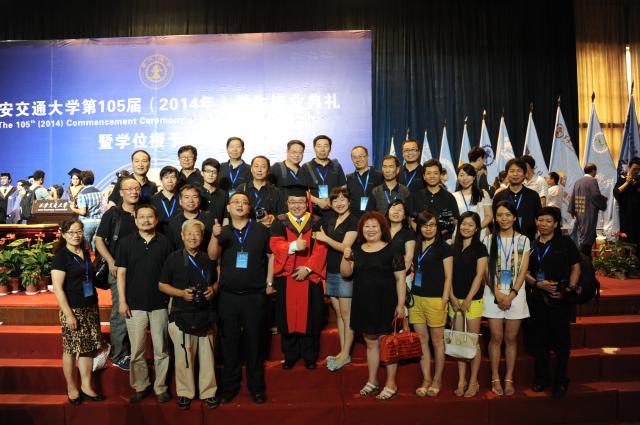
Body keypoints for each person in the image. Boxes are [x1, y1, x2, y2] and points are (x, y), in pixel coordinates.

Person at [208, 191, 274, 405]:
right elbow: (212, 256)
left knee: (255, 343)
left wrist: (269, 283)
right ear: (228, 207)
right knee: (230, 344)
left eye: (244, 202)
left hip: (254, 296)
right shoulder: (223, 231)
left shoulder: (261, 230)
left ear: (249, 208)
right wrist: (214, 235)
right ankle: (230, 388)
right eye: (235, 202)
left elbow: (271, 256)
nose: (240, 205)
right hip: (228, 297)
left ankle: (257, 388)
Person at [340, 211, 406, 401]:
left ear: (382, 228)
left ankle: (391, 384)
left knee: (387, 344)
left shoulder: (393, 249)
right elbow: (345, 273)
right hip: (363, 302)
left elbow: (400, 278)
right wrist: (345, 256)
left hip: (386, 302)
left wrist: (401, 304)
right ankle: (373, 380)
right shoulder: (357, 249)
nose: (370, 229)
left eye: (374, 226)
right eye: (366, 226)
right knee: (370, 343)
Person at [116, 204, 173, 404]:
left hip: (160, 304)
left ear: (156, 220)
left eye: (150, 217)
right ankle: (141, 386)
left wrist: (171, 301)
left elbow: (171, 275)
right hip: (134, 304)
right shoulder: (125, 243)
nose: (146, 220)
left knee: (161, 350)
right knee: (137, 351)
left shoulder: (165, 243)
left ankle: (161, 387)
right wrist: (122, 301)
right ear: (135, 219)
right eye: (141, 217)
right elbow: (121, 273)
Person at [159, 219, 219, 410]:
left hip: (205, 314)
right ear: (182, 236)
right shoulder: (173, 258)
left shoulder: (207, 258)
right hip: (181, 314)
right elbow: (162, 285)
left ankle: (209, 392)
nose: (193, 237)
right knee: (183, 356)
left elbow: (217, 281)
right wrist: (181, 293)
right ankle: (185, 393)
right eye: (189, 233)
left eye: (197, 233)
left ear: (202, 237)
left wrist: (213, 290)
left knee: (207, 357)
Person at [269, 185, 328, 369]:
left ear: (307, 203)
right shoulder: (280, 221)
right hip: (287, 277)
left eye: (301, 202)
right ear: (287, 203)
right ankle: (290, 356)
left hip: (309, 277)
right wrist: (293, 246)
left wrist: (308, 268)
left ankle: (310, 357)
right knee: (287, 318)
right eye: (293, 202)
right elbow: (275, 244)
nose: (296, 206)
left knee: (311, 317)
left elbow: (321, 248)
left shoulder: (316, 221)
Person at [525, 207, 581, 398]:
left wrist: (569, 289)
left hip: (560, 300)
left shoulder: (565, 243)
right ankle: (542, 379)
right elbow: (525, 273)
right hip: (538, 300)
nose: (544, 224)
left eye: (548, 221)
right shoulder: (531, 246)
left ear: (556, 224)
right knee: (539, 342)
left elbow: (576, 267)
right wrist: (538, 283)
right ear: (536, 222)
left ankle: (561, 380)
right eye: (540, 220)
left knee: (561, 344)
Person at [51, 219, 105, 405]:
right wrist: (68, 314)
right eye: (72, 232)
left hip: (90, 306)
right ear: (64, 234)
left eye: (79, 231)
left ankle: (86, 386)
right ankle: (71, 387)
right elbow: (58, 288)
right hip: (73, 309)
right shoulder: (61, 257)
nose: (76, 235)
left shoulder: (84, 251)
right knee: (71, 349)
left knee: (87, 348)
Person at [483, 201, 530, 396]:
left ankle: (509, 377)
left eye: (508, 215)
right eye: (500, 215)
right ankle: (495, 376)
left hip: (515, 294)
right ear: (495, 217)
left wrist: (511, 294)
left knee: (511, 338)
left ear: (514, 217)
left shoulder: (524, 240)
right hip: (492, 293)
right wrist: (497, 293)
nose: (504, 219)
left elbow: (523, 270)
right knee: (496, 337)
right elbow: (485, 270)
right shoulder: (488, 239)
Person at [95, 176, 142, 371]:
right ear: (121, 193)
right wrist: (111, 261)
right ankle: (119, 354)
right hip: (117, 270)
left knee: (137, 311)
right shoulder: (113, 214)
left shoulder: (143, 212)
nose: (134, 192)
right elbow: (99, 240)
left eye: (136, 188)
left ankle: (134, 351)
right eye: (129, 189)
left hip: (140, 271)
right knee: (120, 312)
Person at [314, 187, 358, 371]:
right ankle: (342, 352)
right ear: (330, 203)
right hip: (330, 271)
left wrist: (325, 238)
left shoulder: (354, 221)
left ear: (349, 201)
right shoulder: (330, 219)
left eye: (342, 199)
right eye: (335, 200)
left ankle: (346, 354)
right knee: (339, 314)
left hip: (345, 271)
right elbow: (316, 234)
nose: (339, 203)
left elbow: (345, 247)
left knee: (347, 315)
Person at [409, 211, 452, 398]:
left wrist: (445, 299)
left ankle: (437, 380)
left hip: (436, 299)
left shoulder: (444, 247)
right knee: (421, 340)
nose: (429, 229)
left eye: (432, 225)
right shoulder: (416, 245)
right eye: (425, 225)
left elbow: (449, 276)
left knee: (437, 341)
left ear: (437, 226)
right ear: (419, 227)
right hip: (416, 299)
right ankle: (426, 379)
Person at [450, 211, 488, 398]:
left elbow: (479, 276)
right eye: (463, 224)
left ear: (476, 228)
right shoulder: (452, 247)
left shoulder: (480, 248)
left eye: (470, 225)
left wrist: (467, 299)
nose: (466, 227)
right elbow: (447, 276)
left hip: (472, 301)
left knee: (472, 343)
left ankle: (473, 382)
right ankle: (461, 381)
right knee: (459, 342)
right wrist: (452, 297)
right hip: (455, 301)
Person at [406, 159, 459, 240]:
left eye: (435, 173)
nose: (432, 176)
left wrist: (435, 235)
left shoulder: (449, 197)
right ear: (424, 176)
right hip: (419, 241)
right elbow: (411, 219)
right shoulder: (415, 196)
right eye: (429, 173)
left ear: (440, 175)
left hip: (443, 241)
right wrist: (423, 234)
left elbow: (454, 220)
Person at [492, 158, 541, 242]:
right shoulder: (499, 196)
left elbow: (538, 219)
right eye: (512, 171)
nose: (515, 174)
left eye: (519, 171)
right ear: (507, 174)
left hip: (528, 241)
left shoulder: (533, 196)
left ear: (524, 174)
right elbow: (495, 220)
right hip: (503, 242)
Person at [299, 135, 347, 218]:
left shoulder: (336, 166)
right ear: (314, 148)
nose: (322, 149)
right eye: (319, 146)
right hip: (314, 212)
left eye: (326, 146)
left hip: (335, 211)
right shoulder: (306, 167)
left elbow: (343, 187)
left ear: (330, 148)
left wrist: (333, 201)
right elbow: (301, 191)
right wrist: (318, 201)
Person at [569, 163, 607, 257]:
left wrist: (572, 210)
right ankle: (585, 259)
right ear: (593, 170)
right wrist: (604, 200)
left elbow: (573, 196)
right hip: (588, 212)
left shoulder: (578, 181)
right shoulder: (592, 180)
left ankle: (583, 257)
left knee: (583, 234)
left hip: (579, 211)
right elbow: (595, 195)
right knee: (587, 236)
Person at [236, 156, 286, 227]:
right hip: (246, 229)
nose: (259, 170)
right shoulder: (242, 188)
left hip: (268, 230)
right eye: (256, 166)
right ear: (251, 169)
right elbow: (236, 211)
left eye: (263, 167)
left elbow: (282, 215)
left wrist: (272, 220)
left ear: (268, 170)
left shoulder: (276, 191)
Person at [165, 184, 215, 251]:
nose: (191, 200)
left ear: (199, 200)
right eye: (186, 197)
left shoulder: (209, 219)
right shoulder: (173, 223)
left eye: (195, 197)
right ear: (180, 201)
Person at [453, 164, 493, 231]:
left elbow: (489, 215)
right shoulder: (453, 196)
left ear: (474, 177)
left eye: (468, 175)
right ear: (457, 177)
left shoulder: (482, 194)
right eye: (461, 175)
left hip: (479, 233)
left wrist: (476, 228)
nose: (465, 178)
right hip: (460, 233)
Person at [70, 170, 103, 252]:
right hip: (99, 222)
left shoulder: (82, 193)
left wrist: (72, 208)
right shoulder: (99, 192)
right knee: (98, 247)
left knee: (85, 248)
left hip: (87, 223)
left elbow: (83, 212)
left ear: (82, 181)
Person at [614, 157, 640, 257]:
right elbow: (616, 193)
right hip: (626, 217)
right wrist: (627, 183)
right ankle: (625, 262)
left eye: (638, 169)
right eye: (634, 169)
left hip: (638, 217)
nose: (636, 171)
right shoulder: (622, 179)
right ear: (629, 167)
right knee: (626, 242)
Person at [345, 146, 383, 216]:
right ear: (352, 159)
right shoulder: (349, 178)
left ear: (367, 157)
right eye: (354, 157)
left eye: (361, 156)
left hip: (374, 217)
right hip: (354, 217)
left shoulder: (379, 176)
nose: (358, 159)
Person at [150, 165, 182, 234]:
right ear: (161, 180)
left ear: (177, 180)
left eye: (173, 177)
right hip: (159, 237)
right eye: (166, 177)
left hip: (179, 236)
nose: (170, 181)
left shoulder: (182, 199)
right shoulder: (152, 200)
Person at [386, 200, 416, 271]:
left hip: (402, 274)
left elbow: (409, 258)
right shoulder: (381, 232)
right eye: (393, 209)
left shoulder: (409, 233)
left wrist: (400, 275)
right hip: (383, 273)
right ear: (388, 213)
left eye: (399, 210)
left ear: (404, 216)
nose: (396, 212)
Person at [198, 158, 228, 224]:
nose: (211, 175)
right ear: (202, 173)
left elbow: (226, 217)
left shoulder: (224, 194)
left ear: (218, 174)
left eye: (214, 172)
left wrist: (224, 230)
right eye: (208, 171)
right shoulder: (196, 192)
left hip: (218, 229)